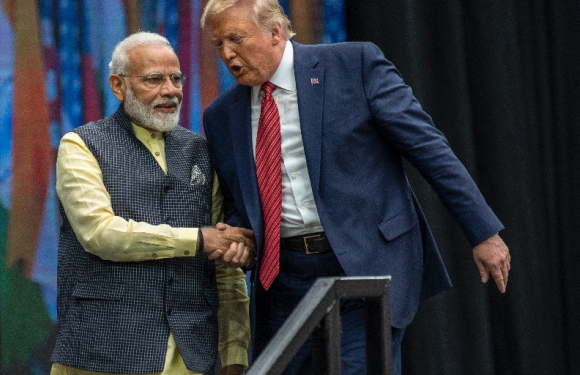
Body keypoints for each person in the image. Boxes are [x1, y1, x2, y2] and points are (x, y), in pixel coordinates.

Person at [199, 0, 512, 374]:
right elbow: (241, 202)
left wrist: (483, 232)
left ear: (275, 31)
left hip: (362, 266)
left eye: (236, 38)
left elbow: (428, 148)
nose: (227, 53)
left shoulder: (353, 65)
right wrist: (240, 239)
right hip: (282, 281)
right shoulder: (219, 116)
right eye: (219, 44)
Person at [50, 31, 254, 375]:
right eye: (154, 80)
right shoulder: (81, 145)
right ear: (118, 86)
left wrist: (235, 353)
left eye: (176, 78)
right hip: (103, 353)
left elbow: (225, 268)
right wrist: (201, 239)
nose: (171, 91)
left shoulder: (200, 151)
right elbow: (100, 233)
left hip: (191, 355)